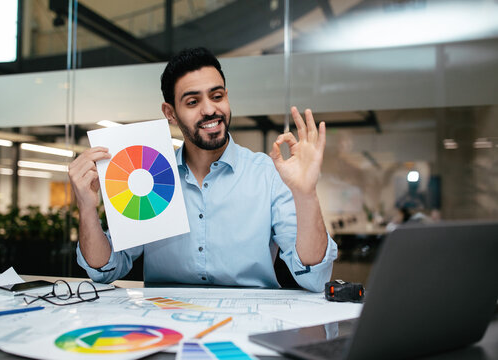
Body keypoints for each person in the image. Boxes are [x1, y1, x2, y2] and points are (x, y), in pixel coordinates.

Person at [69, 47, 337, 292]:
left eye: (217, 96)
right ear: (170, 113)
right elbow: (105, 269)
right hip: (166, 322)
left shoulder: (267, 174)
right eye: (192, 102)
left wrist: (306, 193)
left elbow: (313, 276)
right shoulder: (146, 177)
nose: (210, 110)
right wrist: (87, 208)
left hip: (249, 322)